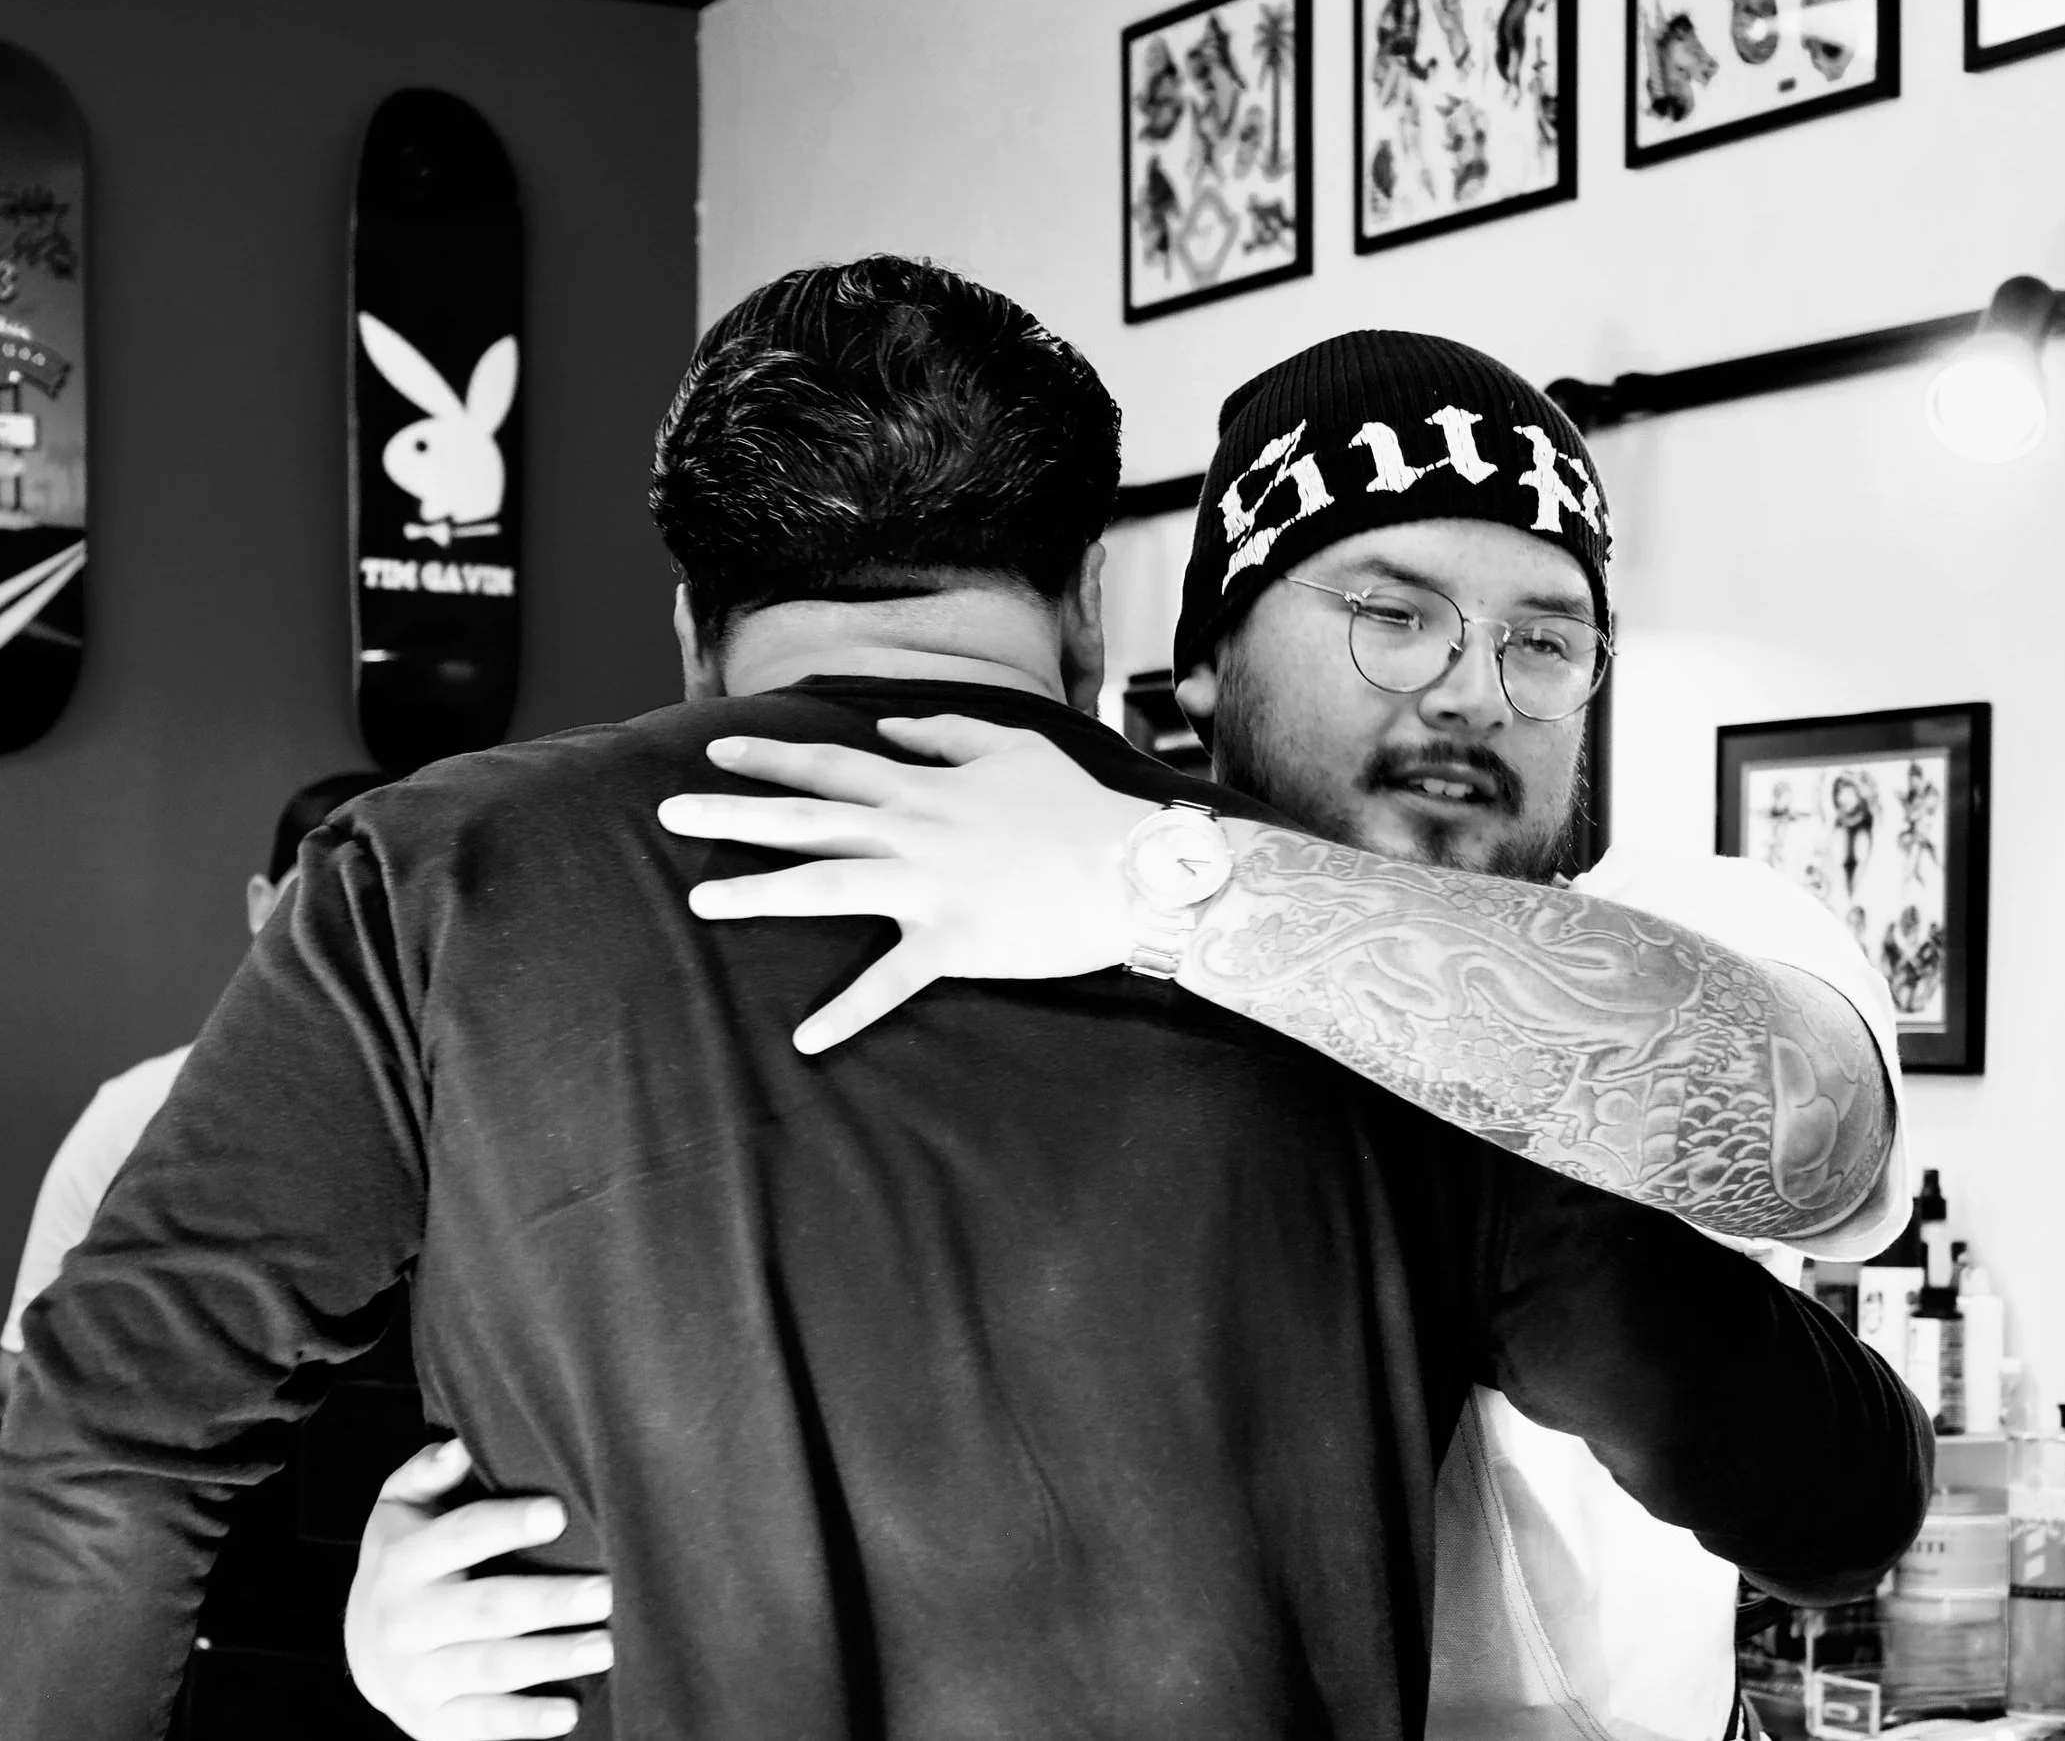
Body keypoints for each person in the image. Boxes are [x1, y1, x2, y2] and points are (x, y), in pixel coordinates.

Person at [341, 323, 1925, 1741]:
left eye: (1547, 637)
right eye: (1394, 610)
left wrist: (1167, 878)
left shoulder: (1679, 922)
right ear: (1194, 658)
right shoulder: (1001, 935)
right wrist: (455, 1595)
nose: (1472, 691)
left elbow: (1805, 1140)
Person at [0, 770, 386, 1413]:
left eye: (383, 916)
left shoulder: (483, 1133)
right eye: (311, 900)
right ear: (261, 904)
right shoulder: (133, 1115)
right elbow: (20, 1377)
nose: (345, 946)